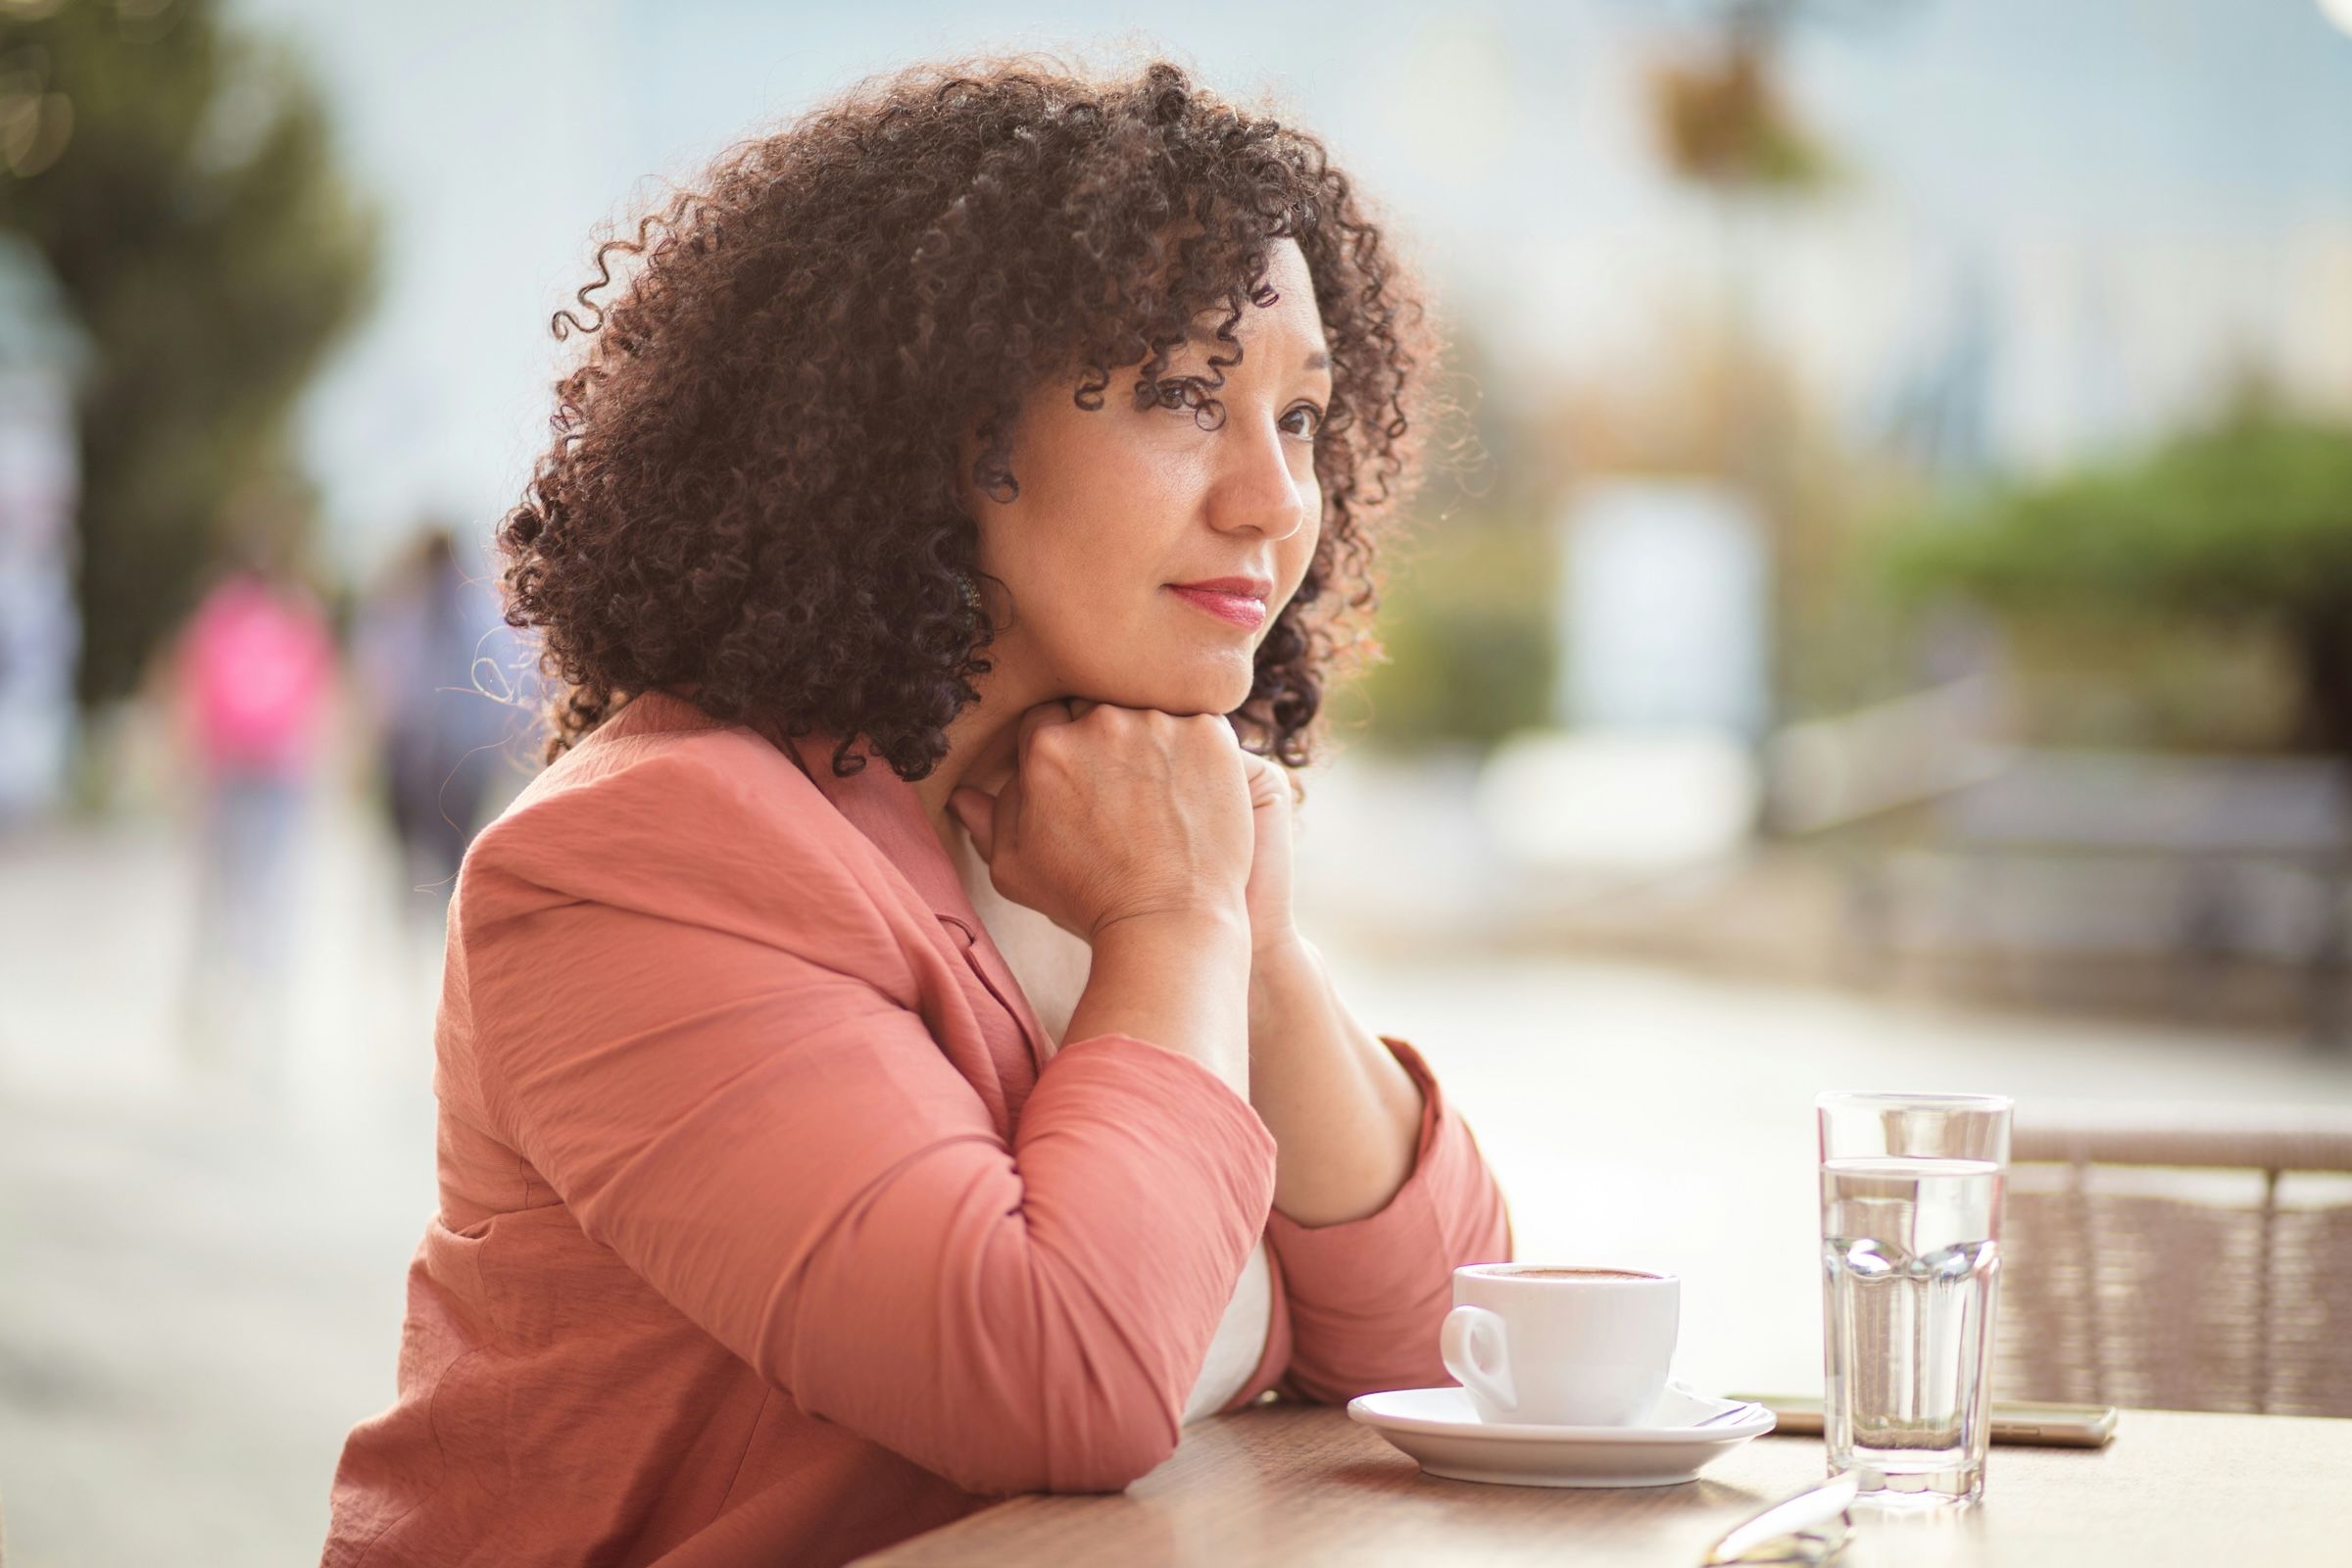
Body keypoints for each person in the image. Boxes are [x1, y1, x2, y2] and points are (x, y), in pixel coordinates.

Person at [322, 55, 1514, 1568]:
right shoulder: (635, 864)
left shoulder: (1124, 816)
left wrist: (1247, 939)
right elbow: (1057, 1380)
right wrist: (1176, 925)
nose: (1275, 498)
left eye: (1302, 418)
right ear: (952, 432)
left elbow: (1450, 1340)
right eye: (1185, 397)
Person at [171, 533, 337, 1076]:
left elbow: (190, 691)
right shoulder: (299, 614)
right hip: (281, 774)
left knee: (220, 891)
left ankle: (212, 999)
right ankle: (264, 999)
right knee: (272, 889)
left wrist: (185, 765)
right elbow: (322, 698)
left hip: (228, 770)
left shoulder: (218, 613)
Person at [350, 522, 530, 916]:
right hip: (464, 749)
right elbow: (505, 681)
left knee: (420, 852)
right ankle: (444, 920)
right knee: (454, 850)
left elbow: (384, 684)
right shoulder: (479, 608)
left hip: (425, 751)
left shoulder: (402, 608)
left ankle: (427, 920)